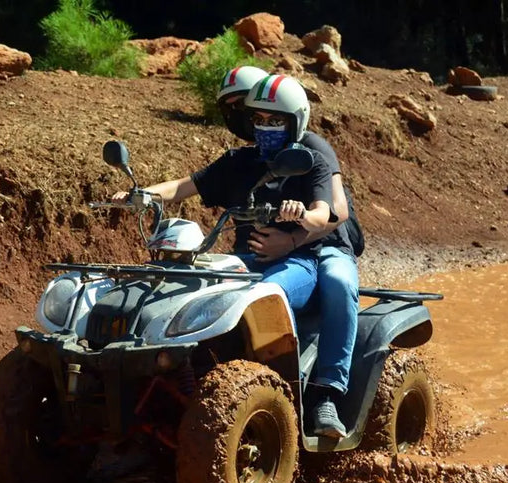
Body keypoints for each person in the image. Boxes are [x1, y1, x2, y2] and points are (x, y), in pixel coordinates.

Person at [111, 75, 338, 320]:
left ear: (295, 122)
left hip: (296, 262)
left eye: (275, 120)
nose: (265, 127)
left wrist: (302, 214)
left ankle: (281, 358)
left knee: (265, 296)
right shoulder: (237, 161)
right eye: (258, 120)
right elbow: (182, 187)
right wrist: (142, 195)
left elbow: (322, 216)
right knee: (192, 293)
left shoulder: (312, 163)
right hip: (242, 260)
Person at [217, 68, 360, 439]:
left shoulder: (314, 149)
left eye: (271, 119)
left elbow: (336, 212)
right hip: (286, 244)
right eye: (250, 115)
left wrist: (293, 238)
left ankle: (325, 391)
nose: (254, 122)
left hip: (326, 242)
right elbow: (195, 186)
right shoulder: (249, 157)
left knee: (338, 283)